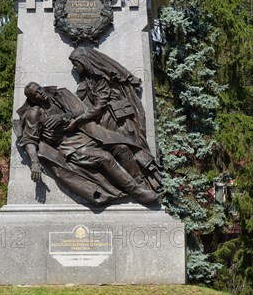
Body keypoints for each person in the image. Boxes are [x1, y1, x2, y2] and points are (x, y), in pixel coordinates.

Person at [14, 82, 159, 205]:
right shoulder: (34, 114)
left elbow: (79, 111)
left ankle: (140, 182)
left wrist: (63, 117)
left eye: (39, 89)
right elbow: (30, 140)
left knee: (121, 148)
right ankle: (136, 191)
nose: (41, 93)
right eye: (36, 93)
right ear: (33, 99)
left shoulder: (59, 96)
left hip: (85, 135)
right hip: (68, 146)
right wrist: (34, 162)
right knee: (105, 157)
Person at [69, 47, 162, 193]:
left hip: (115, 119)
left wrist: (79, 119)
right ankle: (130, 182)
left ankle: (146, 182)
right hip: (103, 118)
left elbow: (100, 104)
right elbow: (78, 97)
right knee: (117, 150)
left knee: (127, 148)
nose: (74, 67)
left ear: (84, 62)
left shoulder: (100, 78)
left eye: (76, 63)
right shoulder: (87, 79)